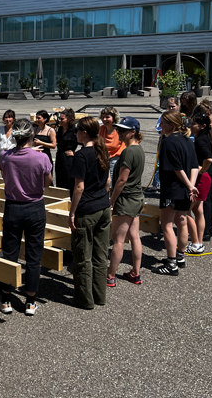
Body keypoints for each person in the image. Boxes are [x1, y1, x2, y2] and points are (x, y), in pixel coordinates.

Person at [0, 118, 52, 316]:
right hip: (35, 207)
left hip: (13, 207)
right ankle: (30, 302)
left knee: (10, 253)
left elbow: (5, 176)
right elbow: (47, 183)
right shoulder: (41, 158)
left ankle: (5, 299)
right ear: (31, 136)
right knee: (34, 257)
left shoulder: (6, 156)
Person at [68, 116, 111, 309]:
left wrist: (72, 212)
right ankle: (99, 295)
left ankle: (85, 300)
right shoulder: (102, 150)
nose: (75, 133)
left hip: (87, 209)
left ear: (84, 133)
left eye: (77, 130)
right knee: (101, 255)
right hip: (103, 206)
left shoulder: (81, 155)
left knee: (83, 257)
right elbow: (108, 180)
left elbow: (79, 187)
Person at [152, 110, 198, 276]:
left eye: (163, 123)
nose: (160, 125)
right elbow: (194, 166)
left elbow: (176, 168)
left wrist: (188, 185)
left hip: (172, 188)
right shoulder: (187, 140)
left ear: (171, 124)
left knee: (167, 225)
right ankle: (180, 257)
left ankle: (171, 264)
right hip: (185, 190)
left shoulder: (168, 141)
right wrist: (191, 186)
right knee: (182, 222)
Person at [107, 117, 145, 287]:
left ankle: (110, 275)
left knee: (118, 239)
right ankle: (135, 273)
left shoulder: (128, 152)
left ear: (133, 132)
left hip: (126, 199)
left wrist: (112, 200)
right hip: (136, 198)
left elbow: (122, 180)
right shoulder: (139, 149)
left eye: (123, 130)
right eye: (118, 130)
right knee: (135, 236)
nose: (119, 133)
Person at [193, 99, 212, 241]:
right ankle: (209, 227)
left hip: (208, 164)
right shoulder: (202, 131)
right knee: (208, 197)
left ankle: (206, 229)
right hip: (205, 161)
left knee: (206, 198)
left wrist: (204, 148)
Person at [185, 113, 212, 254]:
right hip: (203, 178)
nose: (190, 126)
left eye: (193, 124)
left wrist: (202, 170)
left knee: (186, 211)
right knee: (198, 210)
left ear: (203, 126)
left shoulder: (201, 140)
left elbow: (209, 159)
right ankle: (199, 242)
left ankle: (196, 243)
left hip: (200, 178)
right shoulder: (204, 137)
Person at [147, 97, 179, 192]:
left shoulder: (180, 116)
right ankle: (156, 184)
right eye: (169, 106)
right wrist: (164, 130)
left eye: (173, 106)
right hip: (164, 139)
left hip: (176, 141)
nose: (171, 108)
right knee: (160, 162)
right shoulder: (163, 115)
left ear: (178, 106)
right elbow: (158, 127)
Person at [54, 108, 79, 191]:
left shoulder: (74, 130)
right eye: (59, 118)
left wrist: (75, 153)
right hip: (59, 157)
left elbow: (85, 143)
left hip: (68, 158)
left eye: (62, 119)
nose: (60, 120)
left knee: (68, 179)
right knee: (59, 179)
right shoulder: (60, 129)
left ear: (69, 119)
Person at [98, 106, 125, 179]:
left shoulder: (120, 130)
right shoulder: (101, 129)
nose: (104, 119)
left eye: (107, 117)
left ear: (114, 118)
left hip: (115, 158)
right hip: (103, 157)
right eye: (103, 117)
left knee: (112, 178)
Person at [33, 110, 57, 184]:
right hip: (36, 157)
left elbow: (53, 145)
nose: (37, 120)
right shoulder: (35, 129)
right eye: (36, 118)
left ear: (45, 119)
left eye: (39, 118)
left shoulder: (50, 130)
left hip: (46, 156)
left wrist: (41, 143)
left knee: (47, 179)